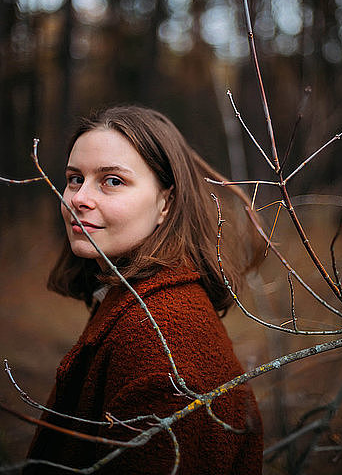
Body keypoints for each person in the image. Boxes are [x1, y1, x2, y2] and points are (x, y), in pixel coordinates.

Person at [25, 104, 265, 474]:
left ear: (166, 203)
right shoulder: (132, 298)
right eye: (75, 178)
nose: (78, 198)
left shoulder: (166, 340)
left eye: (112, 181)